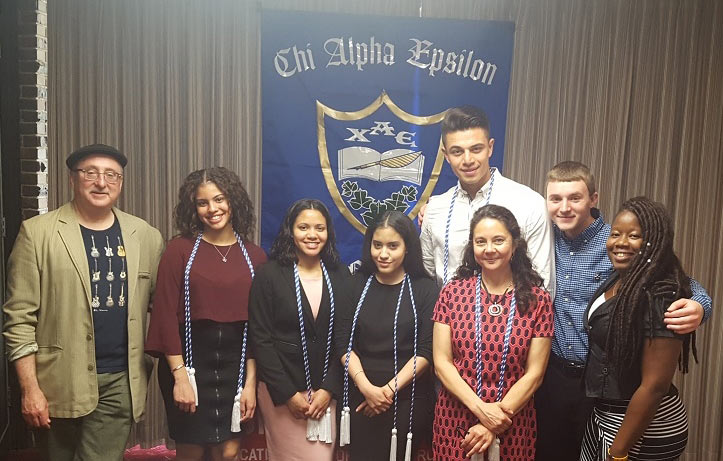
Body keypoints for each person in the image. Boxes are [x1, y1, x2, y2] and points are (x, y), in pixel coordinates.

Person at [536, 161, 712, 460]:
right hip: (553, 373)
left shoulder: (618, 240)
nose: (564, 208)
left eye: (575, 198)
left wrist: (700, 304)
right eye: (555, 199)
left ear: (593, 199)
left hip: (600, 383)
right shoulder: (543, 238)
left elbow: (675, 277)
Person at [2, 144, 164, 461]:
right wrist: (29, 389)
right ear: (73, 179)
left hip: (121, 380)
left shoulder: (145, 236)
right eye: (90, 173)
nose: (101, 182)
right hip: (56, 382)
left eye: (111, 175)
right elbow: (19, 319)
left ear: (120, 182)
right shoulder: (37, 234)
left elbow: (161, 308)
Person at [145, 167, 266, 461]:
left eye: (219, 199)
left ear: (233, 201)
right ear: (193, 207)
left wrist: (251, 385)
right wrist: (180, 378)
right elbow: (163, 318)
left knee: (228, 451)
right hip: (189, 364)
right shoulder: (179, 251)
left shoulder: (256, 256)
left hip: (236, 367)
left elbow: (259, 329)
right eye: (203, 202)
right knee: (192, 450)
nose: (212, 209)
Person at [433, 205, 553, 461]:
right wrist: (481, 410)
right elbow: (442, 363)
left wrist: (493, 421)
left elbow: (535, 374)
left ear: (515, 244)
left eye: (498, 240)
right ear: (472, 246)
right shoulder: (452, 293)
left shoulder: (537, 300)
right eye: (481, 241)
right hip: (455, 418)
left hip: (512, 420)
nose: (489, 249)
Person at [580, 197, 696, 460]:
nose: (620, 243)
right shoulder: (619, 277)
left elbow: (655, 386)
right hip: (605, 416)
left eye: (634, 236)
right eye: (615, 234)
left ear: (655, 242)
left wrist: (619, 451)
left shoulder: (661, 295)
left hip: (641, 427)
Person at [249, 199, 347, 460]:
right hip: (282, 394)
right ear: (290, 231)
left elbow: (346, 338)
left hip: (326, 394)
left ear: (328, 232)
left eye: (320, 228)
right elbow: (261, 338)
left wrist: (329, 390)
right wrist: (288, 394)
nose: (312, 235)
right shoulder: (268, 275)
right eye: (304, 227)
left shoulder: (340, 275)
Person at [336, 211, 438, 460]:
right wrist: (367, 389)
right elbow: (342, 342)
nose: (383, 254)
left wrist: (386, 392)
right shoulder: (355, 283)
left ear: (407, 248)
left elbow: (425, 351)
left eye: (393, 246)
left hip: (406, 398)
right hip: (360, 394)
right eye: (377, 245)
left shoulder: (425, 288)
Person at [420, 105, 554, 293]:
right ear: (446, 155)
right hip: (448, 319)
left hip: (510, 319)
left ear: (490, 148)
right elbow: (425, 279)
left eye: (476, 149)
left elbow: (543, 284)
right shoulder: (435, 208)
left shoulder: (528, 203)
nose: (467, 160)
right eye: (457, 151)